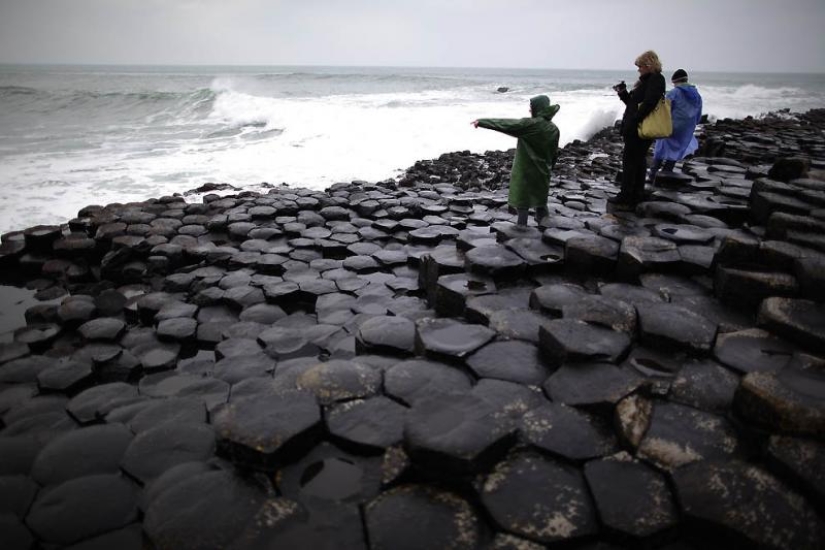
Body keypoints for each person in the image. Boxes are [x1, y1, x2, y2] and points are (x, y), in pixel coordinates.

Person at [472, 95, 560, 227]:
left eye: (531, 107)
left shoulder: (530, 125)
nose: (529, 110)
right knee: (541, 203)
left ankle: (521, 232)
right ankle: (547, 232)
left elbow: (506, 124)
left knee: (522, 203)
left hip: (526, 171)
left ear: (538, 108)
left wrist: (482, 122)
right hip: (543, 171)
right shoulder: (554, 129)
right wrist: (550, 167)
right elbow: (554, 153)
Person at [609, 50, 666, 208]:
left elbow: (649, 103)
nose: (638, 69)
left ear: (649, 65)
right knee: (638, 161)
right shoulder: (646, 81)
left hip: (640, 129)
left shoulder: (656, 80)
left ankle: (626, 194)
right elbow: (633, 104)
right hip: (636, 127)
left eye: (640, 66)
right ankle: (636, 193)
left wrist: (634, 121)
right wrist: (623, 93)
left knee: (630, 161)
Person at [649, 68, 703, 181]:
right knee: (677, 149)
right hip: (686, 128)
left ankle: (653, 174)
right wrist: (694, 124)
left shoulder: (674, 93)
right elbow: (698, 113)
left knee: (661, 148)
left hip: (671, 125)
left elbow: (664, 110)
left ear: (676, 82)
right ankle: (667, 171)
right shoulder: (697, 95)